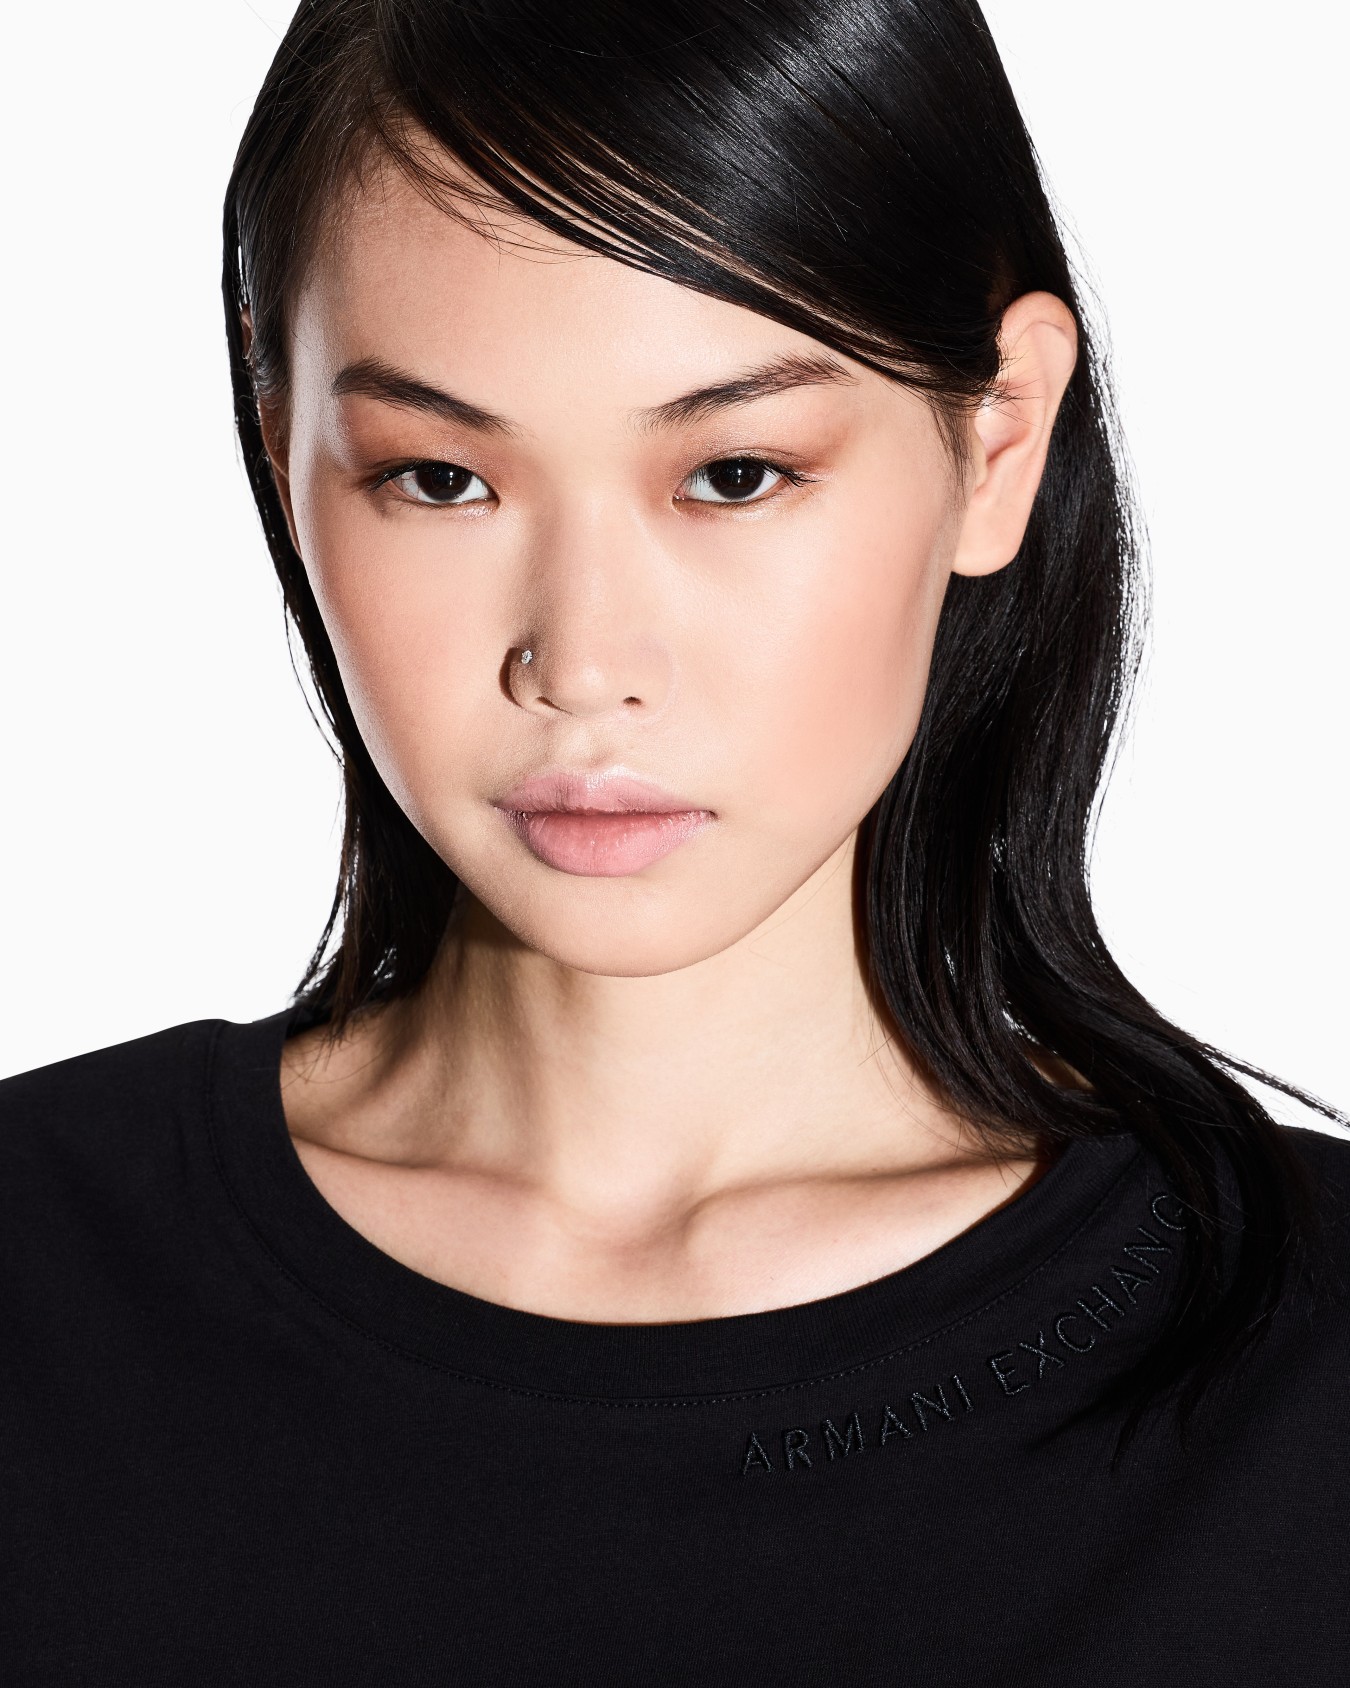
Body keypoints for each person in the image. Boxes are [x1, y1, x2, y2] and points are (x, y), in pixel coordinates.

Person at [1, 1, 1346, 1681]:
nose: (581, 663)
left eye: (732, 474)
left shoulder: (1305, 1378)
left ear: (996, 441)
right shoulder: (34, 1274)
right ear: (285, 452)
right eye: (437, 479)